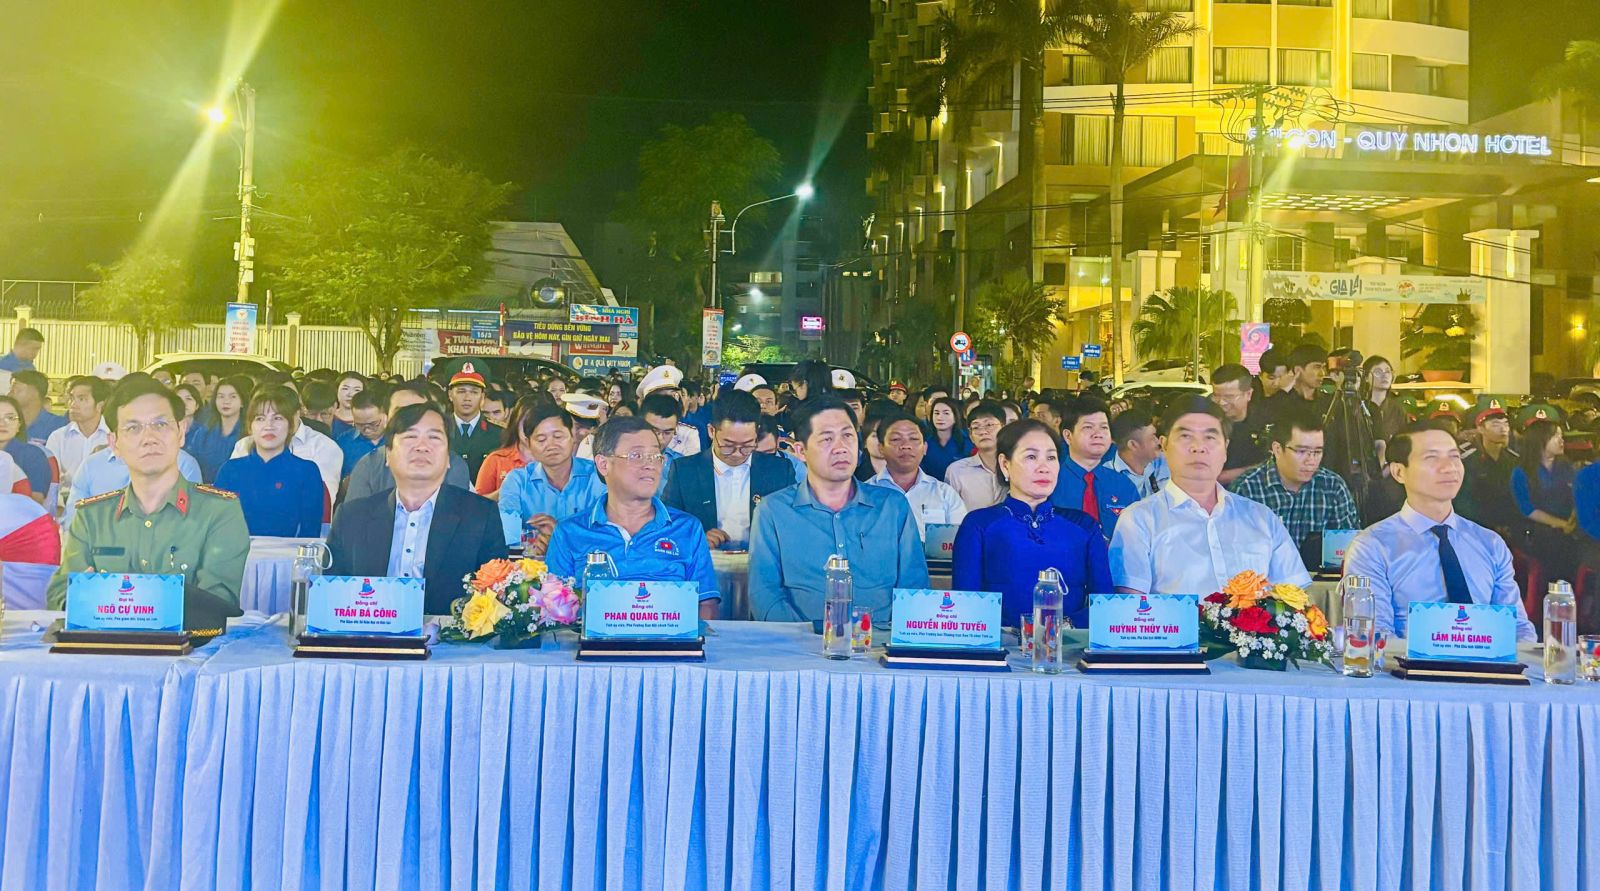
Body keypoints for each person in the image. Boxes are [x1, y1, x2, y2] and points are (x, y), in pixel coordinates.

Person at [47, 379, 250, 611]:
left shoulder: (219, 512)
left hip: (187, 638)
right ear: (114, 443)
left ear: (181, 432)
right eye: (133, 428)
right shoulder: (92, 517)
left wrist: (108, 598)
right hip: (101, 636)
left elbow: (218, 604)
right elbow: (60, 593)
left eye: (160, 424)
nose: (149, 438)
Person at [1344, 423, 1536, 641]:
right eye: (1432, 458)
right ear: (1399, 472)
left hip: (1488, 660)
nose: (1449, 467)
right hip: (1406, 662)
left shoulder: (1490, 543)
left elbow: (1517, 628)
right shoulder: (1373, 546)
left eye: (1454, 457)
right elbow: (1373, 636)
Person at [748, 395, 929, 621]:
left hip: (881, 638)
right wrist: (803, 636)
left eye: (847, 436)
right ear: (801, 451)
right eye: (827, 439)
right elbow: (764, 594)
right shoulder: (774, 511)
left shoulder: (892, 507)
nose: (841, 448)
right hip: (800, 640)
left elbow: (914, 587)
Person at [1109, 397, 1310, 595]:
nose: (1198, 447)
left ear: (1225, 448)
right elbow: (1132, 609)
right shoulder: (1139, 521)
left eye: (1210, 437)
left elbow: (1295, 597)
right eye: (1185, 436)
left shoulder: (1261, 518)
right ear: (1164, 445)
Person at [327, 402, 509, 615]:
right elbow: (332, 597)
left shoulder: (480, 516)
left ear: (448, 459)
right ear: (388, 455)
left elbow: (494, 597)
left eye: (434, 437)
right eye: (410, 437)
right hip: (368, 632)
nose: (422, 447)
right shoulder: (351, 517)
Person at [546, 417, 722, 619]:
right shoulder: (570, 533)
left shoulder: (687, 529)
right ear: (603, 464)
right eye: (636, 455)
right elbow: (554, 609)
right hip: (592, 639)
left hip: (670, 639)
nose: (650, 465)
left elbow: (706, 603)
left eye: (655, 456)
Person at [953, 419, 1112, 627]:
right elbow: (967, 604)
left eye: (1051, 457)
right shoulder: (979, 525)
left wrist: (1063, 627)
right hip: (1000, 644)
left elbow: (1103, 604)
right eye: (1031, 457)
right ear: (1005, 464)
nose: (1044, 467)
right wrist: (1019, 633)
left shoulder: (1084, 527)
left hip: (1070, 643)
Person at [660, 390, 794, 548]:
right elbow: (666, 526)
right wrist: (696, 539)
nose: (737, 454)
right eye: (728, 446)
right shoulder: (685, 471)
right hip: (707, 560)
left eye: (747, 445)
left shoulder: (779, 470)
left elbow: (792, 525)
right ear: (711, 431)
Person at [1228, 410, 1361, 569]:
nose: (1310, 460)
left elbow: (1351, 551)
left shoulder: (1332, 487)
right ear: (1277, 449)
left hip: (1319, 581)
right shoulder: (1247, 488)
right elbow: (1232, 552)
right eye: (1301, 451)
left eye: (1317, 452)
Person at [214, 386, 324, 537]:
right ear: (250, 427)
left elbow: (310, 533)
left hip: (289, 551)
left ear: (290, 426)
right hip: (236, 550)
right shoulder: (230, 470)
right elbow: (217, 527)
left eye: (277, 418)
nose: (269, 426)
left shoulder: (306, 471)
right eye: (260, 418)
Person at [496, 402, 608, 550]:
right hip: (533, 563)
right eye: (541, 440)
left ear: (572, 435)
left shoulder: (599, 477)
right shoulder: (517, 482)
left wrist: (560, 535)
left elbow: (608, 536)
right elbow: (508, 539)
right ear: (528, 443)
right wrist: (532, 544)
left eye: (558, 436)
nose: (551, 445)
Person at [1048, 397, 1139, 540]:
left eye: (1104, 427)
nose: (1098, 434)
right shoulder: (1049, 482)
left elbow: (1136, 537)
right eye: (1088, 427)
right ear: (1068, 436)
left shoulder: (1123, 485)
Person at [867, 411, 968, 538]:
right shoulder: (865, 494)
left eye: (914, 439)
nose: (906, 446)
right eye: (896, 439)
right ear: (881, 448)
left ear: (925, 448)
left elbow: (960, 541)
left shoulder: (945, 495)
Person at [1456, 399, 1519, 529]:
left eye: (1506, 424)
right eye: (1495, 424)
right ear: (1480, 429)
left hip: (1511, 528)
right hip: (1476, 528)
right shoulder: (1467, 460)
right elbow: (1463, 502)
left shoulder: (1515, 460)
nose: (1503, 429)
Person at [1511, 419, 1576, 535]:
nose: (1561, 440)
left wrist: (1573, 519)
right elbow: (1527, 509)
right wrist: (1562, 524)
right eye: (1555, 436)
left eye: (1561, 436)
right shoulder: (1521, 472)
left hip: (1571, 529)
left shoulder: (1566, 466)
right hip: (1539, 533)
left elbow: (1577, 492)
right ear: (1539, 440)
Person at [43, 375, 108, 484]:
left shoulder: (114, 437)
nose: (73, 405)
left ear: (99, 406)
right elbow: (51, 480)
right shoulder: (58, 437)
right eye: (72, 398)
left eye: (82, 399)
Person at [1210, 363, 1268, 485]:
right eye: (1216, 395)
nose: (1221, 402)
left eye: (1229, 397)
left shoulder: (1266, 422)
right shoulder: (1206, 424)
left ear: (1248, 394)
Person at [944, 400, 1007, 511]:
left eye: (989, 425)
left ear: (1004, 428)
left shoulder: (1016, 467)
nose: (983, 432)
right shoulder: (956, 471)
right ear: (971, 436)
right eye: (976, 427)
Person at [188, 375, 252, 482]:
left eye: (232, 397)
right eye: (221, 396)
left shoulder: (249, 434)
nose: (226, 401)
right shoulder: (203, 433)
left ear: (242, 402)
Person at [443, 362, 499, 479]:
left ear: (482, 396)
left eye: (474, 392)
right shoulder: (439, 429)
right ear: (450, 395)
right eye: (461, 391)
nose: (467, 398)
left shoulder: (499, 433)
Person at [636, 365, 702, 456]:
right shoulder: (630, 434)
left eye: (673, 395)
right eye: (660, 397)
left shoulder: (688, 434)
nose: (668, 402)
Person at [475, 397, 535, 497]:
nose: (530, 430)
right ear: (515, 423)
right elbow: (477, 502)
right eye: (525, 423)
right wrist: (504, 491)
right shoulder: (496, 459)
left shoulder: (555, 461)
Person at [1104, 409, 1168, 499]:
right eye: (1152, 437)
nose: (1158, 441)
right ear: (1133, 445)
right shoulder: (1105, 479)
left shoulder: (1165, 462)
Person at [0, 396, 52, 505]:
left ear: (19, 425)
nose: (2, 423)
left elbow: (35, 501)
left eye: (10, 418)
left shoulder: (33, 455)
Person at [1361, 355, 1407, 463]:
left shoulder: (1397, 409)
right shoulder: (1359, 406)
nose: (1384, 376)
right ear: (1366, 377)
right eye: (1378, 372)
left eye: (1388, 372)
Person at [337, 390, 387, 478]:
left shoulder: (399, 439)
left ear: (385, 415)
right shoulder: (343, 443)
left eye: (373, 424)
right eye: (360, 425)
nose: (367, 430)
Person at [920, 397, 970, 481]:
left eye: (946, 413)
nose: (940, 417)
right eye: (936, 413)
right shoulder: (925, 442)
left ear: (955, 417)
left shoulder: (967, 441)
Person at [11, 370, 64, 446]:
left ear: (35, 392)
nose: (10, 394)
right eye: (11, 390)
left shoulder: (59, 425)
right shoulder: (5, 423)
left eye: (16, 390)